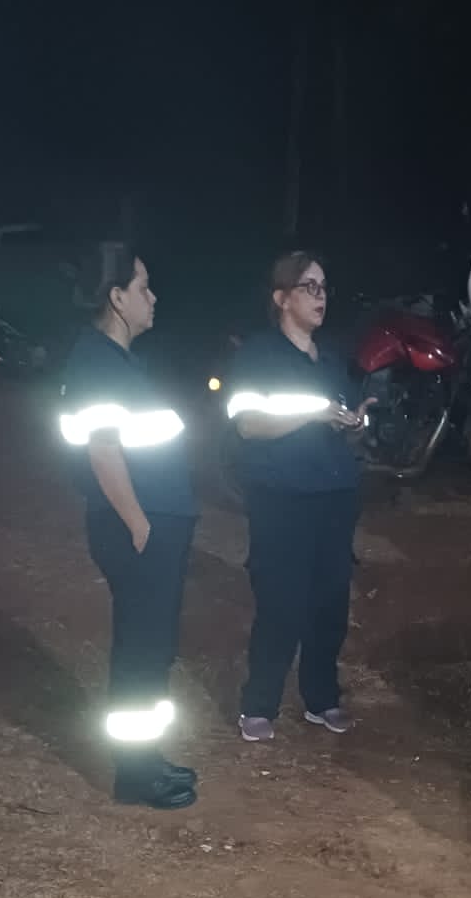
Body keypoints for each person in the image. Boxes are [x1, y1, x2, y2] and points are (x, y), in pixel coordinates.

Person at [59, 245, 199, 810]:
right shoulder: (96, 362)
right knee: (141, 652)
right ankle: (136, 775)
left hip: (156, 520)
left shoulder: (116, 361)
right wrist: (140, 525)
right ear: (116, 298)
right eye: (144, 287)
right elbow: (103, 449)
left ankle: (146, 760)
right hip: (137, 526)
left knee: (152, 648)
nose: (153, 297)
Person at [226, 251, 368, 743]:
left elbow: (339, 416)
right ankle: (259, 703)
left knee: (330, 603)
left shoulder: (329, 359)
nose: (320, 296)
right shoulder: (258, 356)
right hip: (281, 495)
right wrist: (312, 414)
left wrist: (355, 422)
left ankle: (322, 698)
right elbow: (248, 423)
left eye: (324, 287)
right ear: (282, 298)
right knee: (281, 603)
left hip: (334, 494)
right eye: (309, 287)